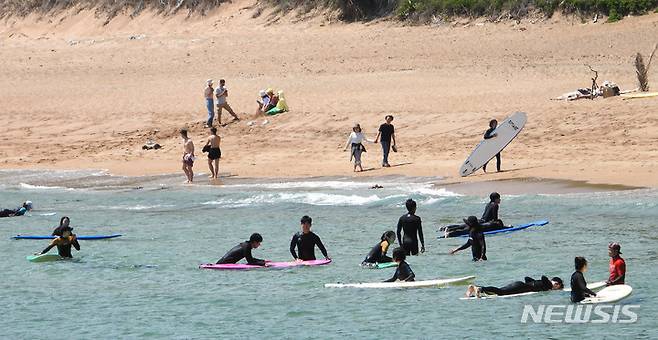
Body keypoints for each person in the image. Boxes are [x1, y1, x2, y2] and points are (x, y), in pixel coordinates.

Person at [465, 276, 563, 298]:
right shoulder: (547, 284)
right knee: (500, 292)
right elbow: (544, 277)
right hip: (520, 287)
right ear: (556, 283)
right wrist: (551, 284)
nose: (555, 288)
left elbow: (527, 278)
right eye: (557, 287)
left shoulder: (541, 283)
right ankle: (481, 289)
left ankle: (475, 287)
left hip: (519, 285)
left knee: (500, 290)